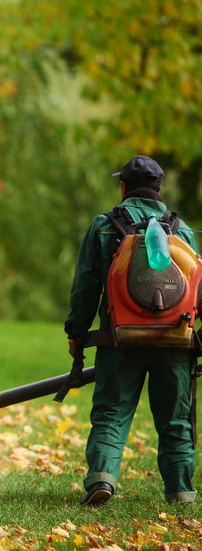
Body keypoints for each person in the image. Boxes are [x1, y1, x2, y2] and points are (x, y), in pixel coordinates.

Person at [65, 155, 199, 506]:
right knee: (175, 420)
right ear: (159, 189)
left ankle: (103, 478)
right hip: (174, 339)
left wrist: (77, 332)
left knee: (111, 411)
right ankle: (181, 492)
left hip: (120, 337)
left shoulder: (105, 226)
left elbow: (86, 286)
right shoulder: (181, 231)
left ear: (123, 187)